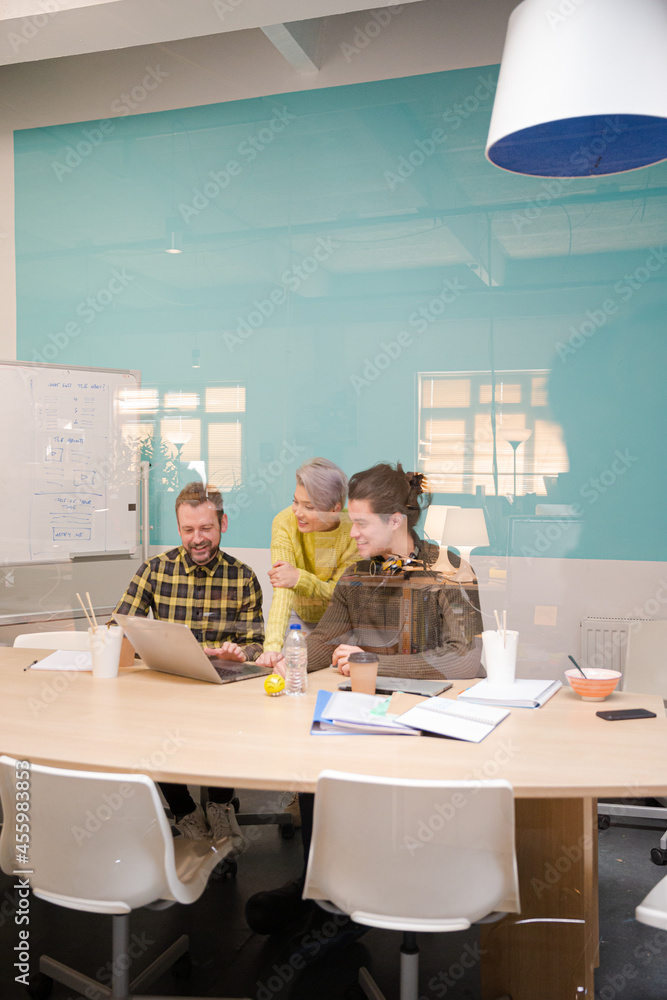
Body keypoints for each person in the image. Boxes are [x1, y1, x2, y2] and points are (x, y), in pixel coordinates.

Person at [245, 462, 483, 937]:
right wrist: (274, 657)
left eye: (360, 523)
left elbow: (464, 661)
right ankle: (322, 887)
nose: (349, 532)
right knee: (320, 761)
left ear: (396, 520)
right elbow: (321, 643)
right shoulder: (356, 577)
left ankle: (365, 890)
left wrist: (369, 664)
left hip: (429, 727)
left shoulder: (450, 570)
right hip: (369, 716)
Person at [114, 480, 263, 846]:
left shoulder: (243, 578)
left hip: (221, 690)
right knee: (153, 728)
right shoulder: (154, 570)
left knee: (226, 725)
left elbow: (256, 645)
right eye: (188, 530)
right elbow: (119, 628)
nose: (197, 539)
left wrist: (241, 655)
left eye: (207, 529)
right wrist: (142, 643)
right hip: (169, 686)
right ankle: (183, 810)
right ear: (179, 528)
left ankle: (220, 805)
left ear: (223, 524)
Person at [255, 457, 359, 670]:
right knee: (292, 675)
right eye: (295, 501)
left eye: (309, 507)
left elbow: (343, 594)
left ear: (334, 508)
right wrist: (272, 647)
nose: (298, 512)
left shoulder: (354, 530)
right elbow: (283, 589)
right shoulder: (284, 522)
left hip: (340, 621)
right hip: (299, 618)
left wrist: (300, 578)